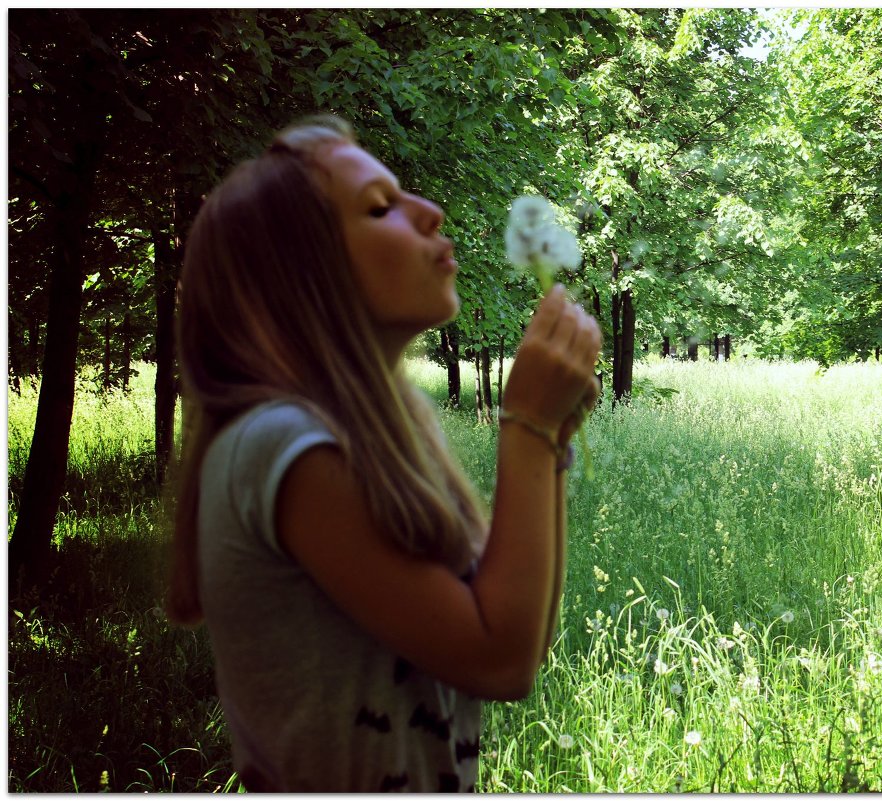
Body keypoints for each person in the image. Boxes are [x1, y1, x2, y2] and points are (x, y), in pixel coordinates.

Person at [165, 115, 601, 792]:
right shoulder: (279, 444)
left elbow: (524, 630)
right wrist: (528, 428)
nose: (430, 212)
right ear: (300, 276)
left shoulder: (397, 428)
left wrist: (551, 439)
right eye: (380, 207)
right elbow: (500, 660)